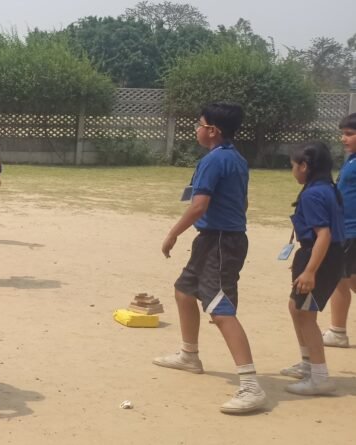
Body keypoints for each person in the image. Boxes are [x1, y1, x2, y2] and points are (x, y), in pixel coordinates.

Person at [155, 102, 266, 414]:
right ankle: (189, 355)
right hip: (214, 239)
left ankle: (251, 386)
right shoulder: (236, 158)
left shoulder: (214, 160)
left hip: (221, 241)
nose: (196, 129)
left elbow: (198, 205)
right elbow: (243, 202)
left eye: (199, 124)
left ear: (213, 131)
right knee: (184, 291)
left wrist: (173, 233)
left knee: (220, 310)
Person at [278, 141, 343, 396]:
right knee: (296, 307)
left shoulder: (313, 194)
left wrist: (310, 270)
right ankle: (308, 363)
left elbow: (323, 235)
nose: (292, 170)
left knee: (306, 315)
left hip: (320, 257)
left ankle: (319, 377)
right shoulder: (326, 187)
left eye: (293, 165)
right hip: (319, 254)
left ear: (304, 166)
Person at [325, 113, 356, 348]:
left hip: (350, 230)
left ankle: (337, 332)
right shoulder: (351, 159)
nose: (343, 138)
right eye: (342, 133)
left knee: (340, 279)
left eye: (349, 134)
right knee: (350, 279)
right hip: (345, 228)